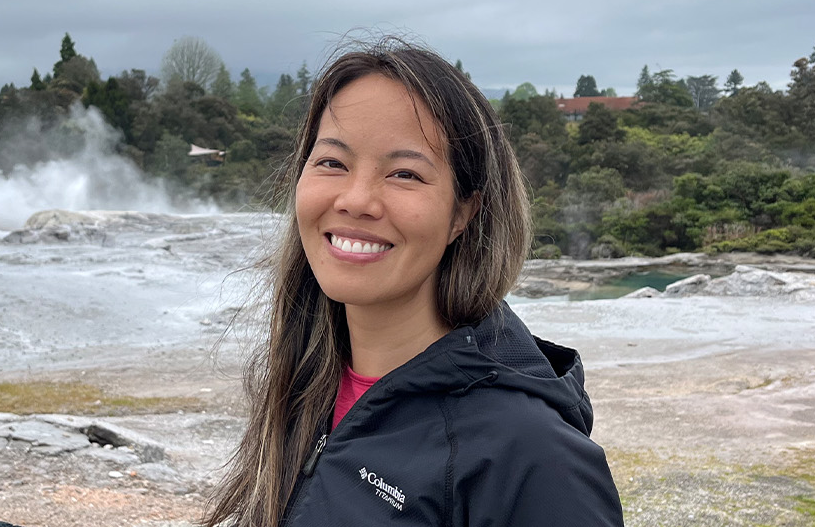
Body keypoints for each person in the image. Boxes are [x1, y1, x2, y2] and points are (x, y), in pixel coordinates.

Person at [203, 39, 623, 526]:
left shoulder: (530, 456)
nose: (356, 200)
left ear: (463, 214)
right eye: (332, 163)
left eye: (404, 173)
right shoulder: (305, 386)